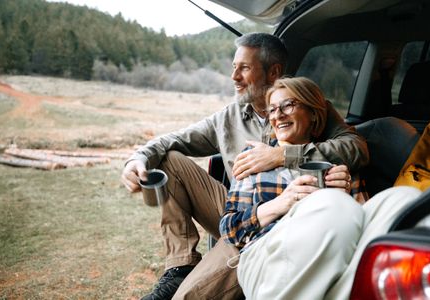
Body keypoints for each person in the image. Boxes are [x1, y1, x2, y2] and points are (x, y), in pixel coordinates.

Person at [121, 33, 369, 300]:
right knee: (169, 158)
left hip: (288, 225)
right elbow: (173, 139)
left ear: (273, 71)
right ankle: (181, 264)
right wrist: (138, 160)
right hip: (239, 213)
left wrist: (282, 156)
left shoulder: (308, 108)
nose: (234, 77)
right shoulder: (228, 118)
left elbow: (356, 148)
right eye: (233, 67)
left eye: (244, 68)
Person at [219, 77, 422, 299]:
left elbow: (366, 230)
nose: (278, 115)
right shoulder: (254, 160)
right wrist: (281, 204)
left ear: (313, 115)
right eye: (272, 110)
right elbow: (229, 229)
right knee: (333, 203)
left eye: (288, 105)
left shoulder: (337, 163)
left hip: (340, 263)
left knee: (403, 199)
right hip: (268, 261)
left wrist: (348, 199)